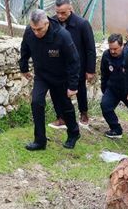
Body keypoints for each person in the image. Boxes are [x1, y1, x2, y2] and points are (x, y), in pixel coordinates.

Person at [19, 9, 81, 151]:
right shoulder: (29, 31)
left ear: (47, 23)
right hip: (41, 76)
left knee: (65, 106)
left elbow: (74, 61)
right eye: (33, 29)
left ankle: (73, 133)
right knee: (36, 103)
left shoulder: (62, 36)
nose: (36, 32)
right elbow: (25, 49)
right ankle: (40, 140)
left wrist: (72, 85)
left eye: (39, 29)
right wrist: (23, 68)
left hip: (61, 76)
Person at [50, 0, 96, 127]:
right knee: (57, 91)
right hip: (58, 65)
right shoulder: (52, 22)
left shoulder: (82, 24)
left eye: (63, 13)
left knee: (80, 89)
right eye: (58, 12)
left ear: (71, 9)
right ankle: (61, 117)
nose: (60, 16)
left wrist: (90, 69)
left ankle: (83, 113)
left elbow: (90, 48)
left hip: (78, 65)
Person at [99, 34, 128, 139]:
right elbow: (104, 74)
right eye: (111, 49)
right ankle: (116, 129)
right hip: (112, 88)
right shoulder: (106, 55)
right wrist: (105, 90)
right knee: (105, 105)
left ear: (122, 46)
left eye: (115, 49)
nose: (113, 51)